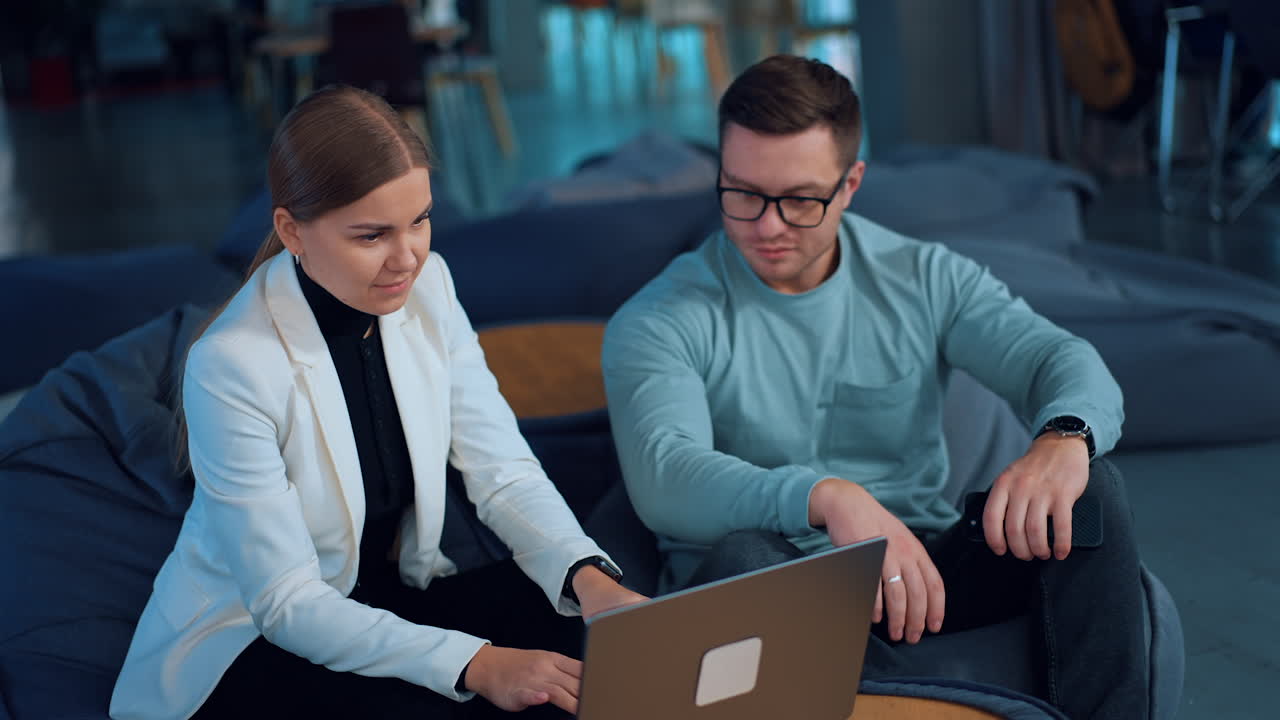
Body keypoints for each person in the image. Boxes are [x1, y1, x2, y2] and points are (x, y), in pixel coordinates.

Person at [601, 55, 1147, 719]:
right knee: (749, 553)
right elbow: (664, 475)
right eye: (742, 193)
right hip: (770, 585)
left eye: (800, 200)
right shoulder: (660, 318)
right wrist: (828, 498)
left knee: (1094, 490)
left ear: (851, 183)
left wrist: (1067, 437)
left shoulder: (923, 276)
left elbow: (1056, 358)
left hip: (922, 578)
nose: (767, 226)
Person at [110, 84, 646, 720]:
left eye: (419, 220)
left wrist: (588, 579)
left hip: (380, 595)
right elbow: (287, 603)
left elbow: (501, 469)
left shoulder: (431, 285)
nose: (408, 257)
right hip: (256, 640)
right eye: (372, 236)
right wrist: (477, 663)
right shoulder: (232, 365)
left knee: (574, 640)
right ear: (292, 231)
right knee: (474, 696)